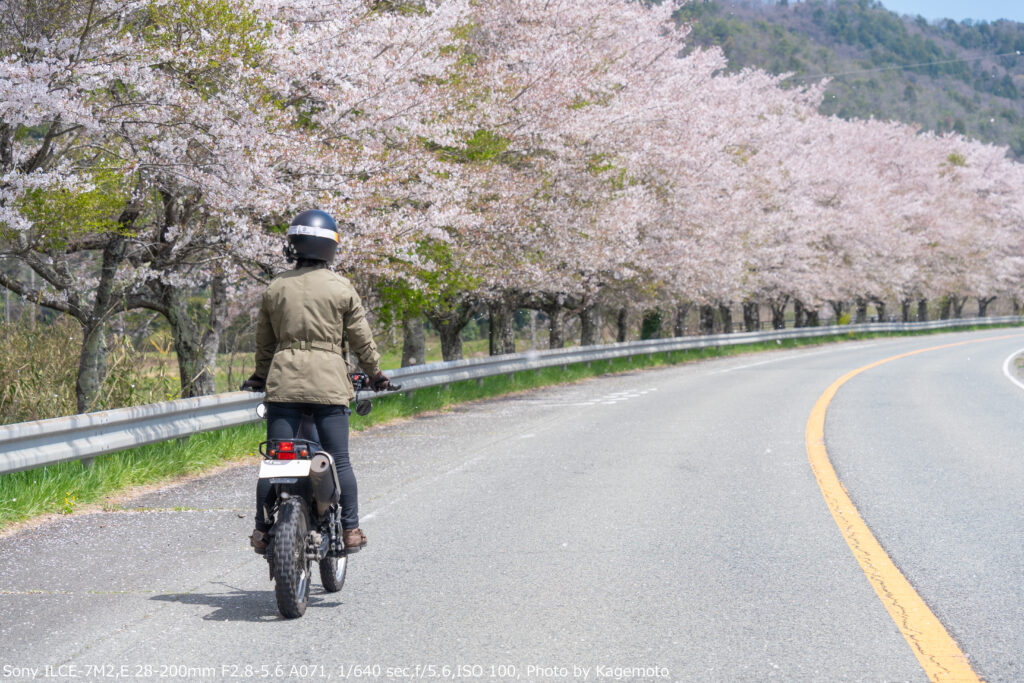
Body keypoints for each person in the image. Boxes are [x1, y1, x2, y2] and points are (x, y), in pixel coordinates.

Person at [242, 209, 392, 553]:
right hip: (329, 385)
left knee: (275, 463)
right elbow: (361, 340)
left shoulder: (275, 287)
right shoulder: (341, 288)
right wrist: (375, 374)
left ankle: (262, 531)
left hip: (283, 382)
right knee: (338, 460)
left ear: (294, 244)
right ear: (330, 247)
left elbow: (264, 343)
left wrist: (260, 376)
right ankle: (351, 529)